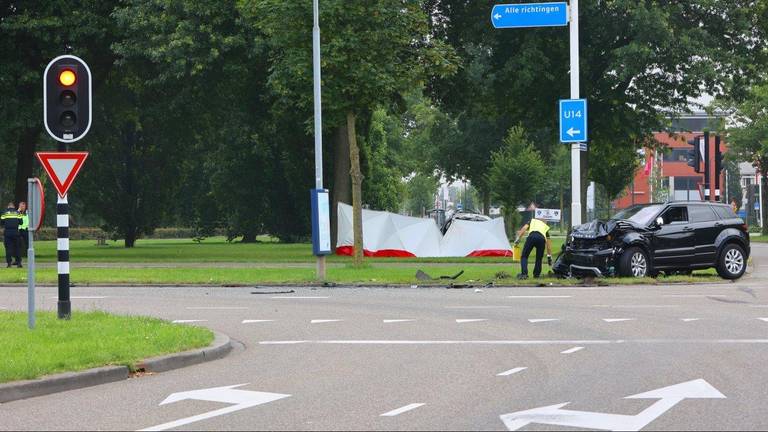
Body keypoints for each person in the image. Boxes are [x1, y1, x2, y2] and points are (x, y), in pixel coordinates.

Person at [513, 203, 552, 279]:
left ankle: (524, 274)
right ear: (545, 221)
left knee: (524, 256)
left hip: (532, 237)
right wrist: (549, 257)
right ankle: (536, 275)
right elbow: (548, 245)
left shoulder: (532, 221)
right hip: (541, 239)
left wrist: (518, 239)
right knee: (539, 258)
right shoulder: (546, 227)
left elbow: (524, 229)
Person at [1, 202, 23, 268]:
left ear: (8, 207)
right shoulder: (17, 213)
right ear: (13, 207)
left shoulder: (4, 213)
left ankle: (9, 263)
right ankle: (19, 263)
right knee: (17, 248)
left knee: (8, 248)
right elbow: (21, 222)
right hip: (16, 232)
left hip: (7, 232)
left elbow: (1, 222)